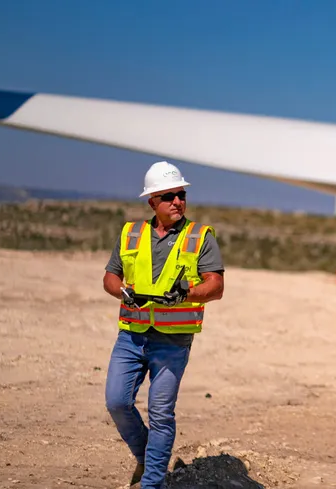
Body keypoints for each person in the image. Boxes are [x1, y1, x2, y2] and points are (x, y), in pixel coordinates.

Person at [101, 160, 225, 488]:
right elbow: (110, 277)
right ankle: (146, 456)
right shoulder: (130, 233)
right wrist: (122, 291)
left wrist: (189, 293)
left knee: (160, 412)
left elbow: (216, 286)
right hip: (132, 334)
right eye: (169, 196)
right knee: (116, 401)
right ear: (152, 201)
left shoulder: (200, 236)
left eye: (181, 194)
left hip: (173, 340)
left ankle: (152, 482)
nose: (177, 201)